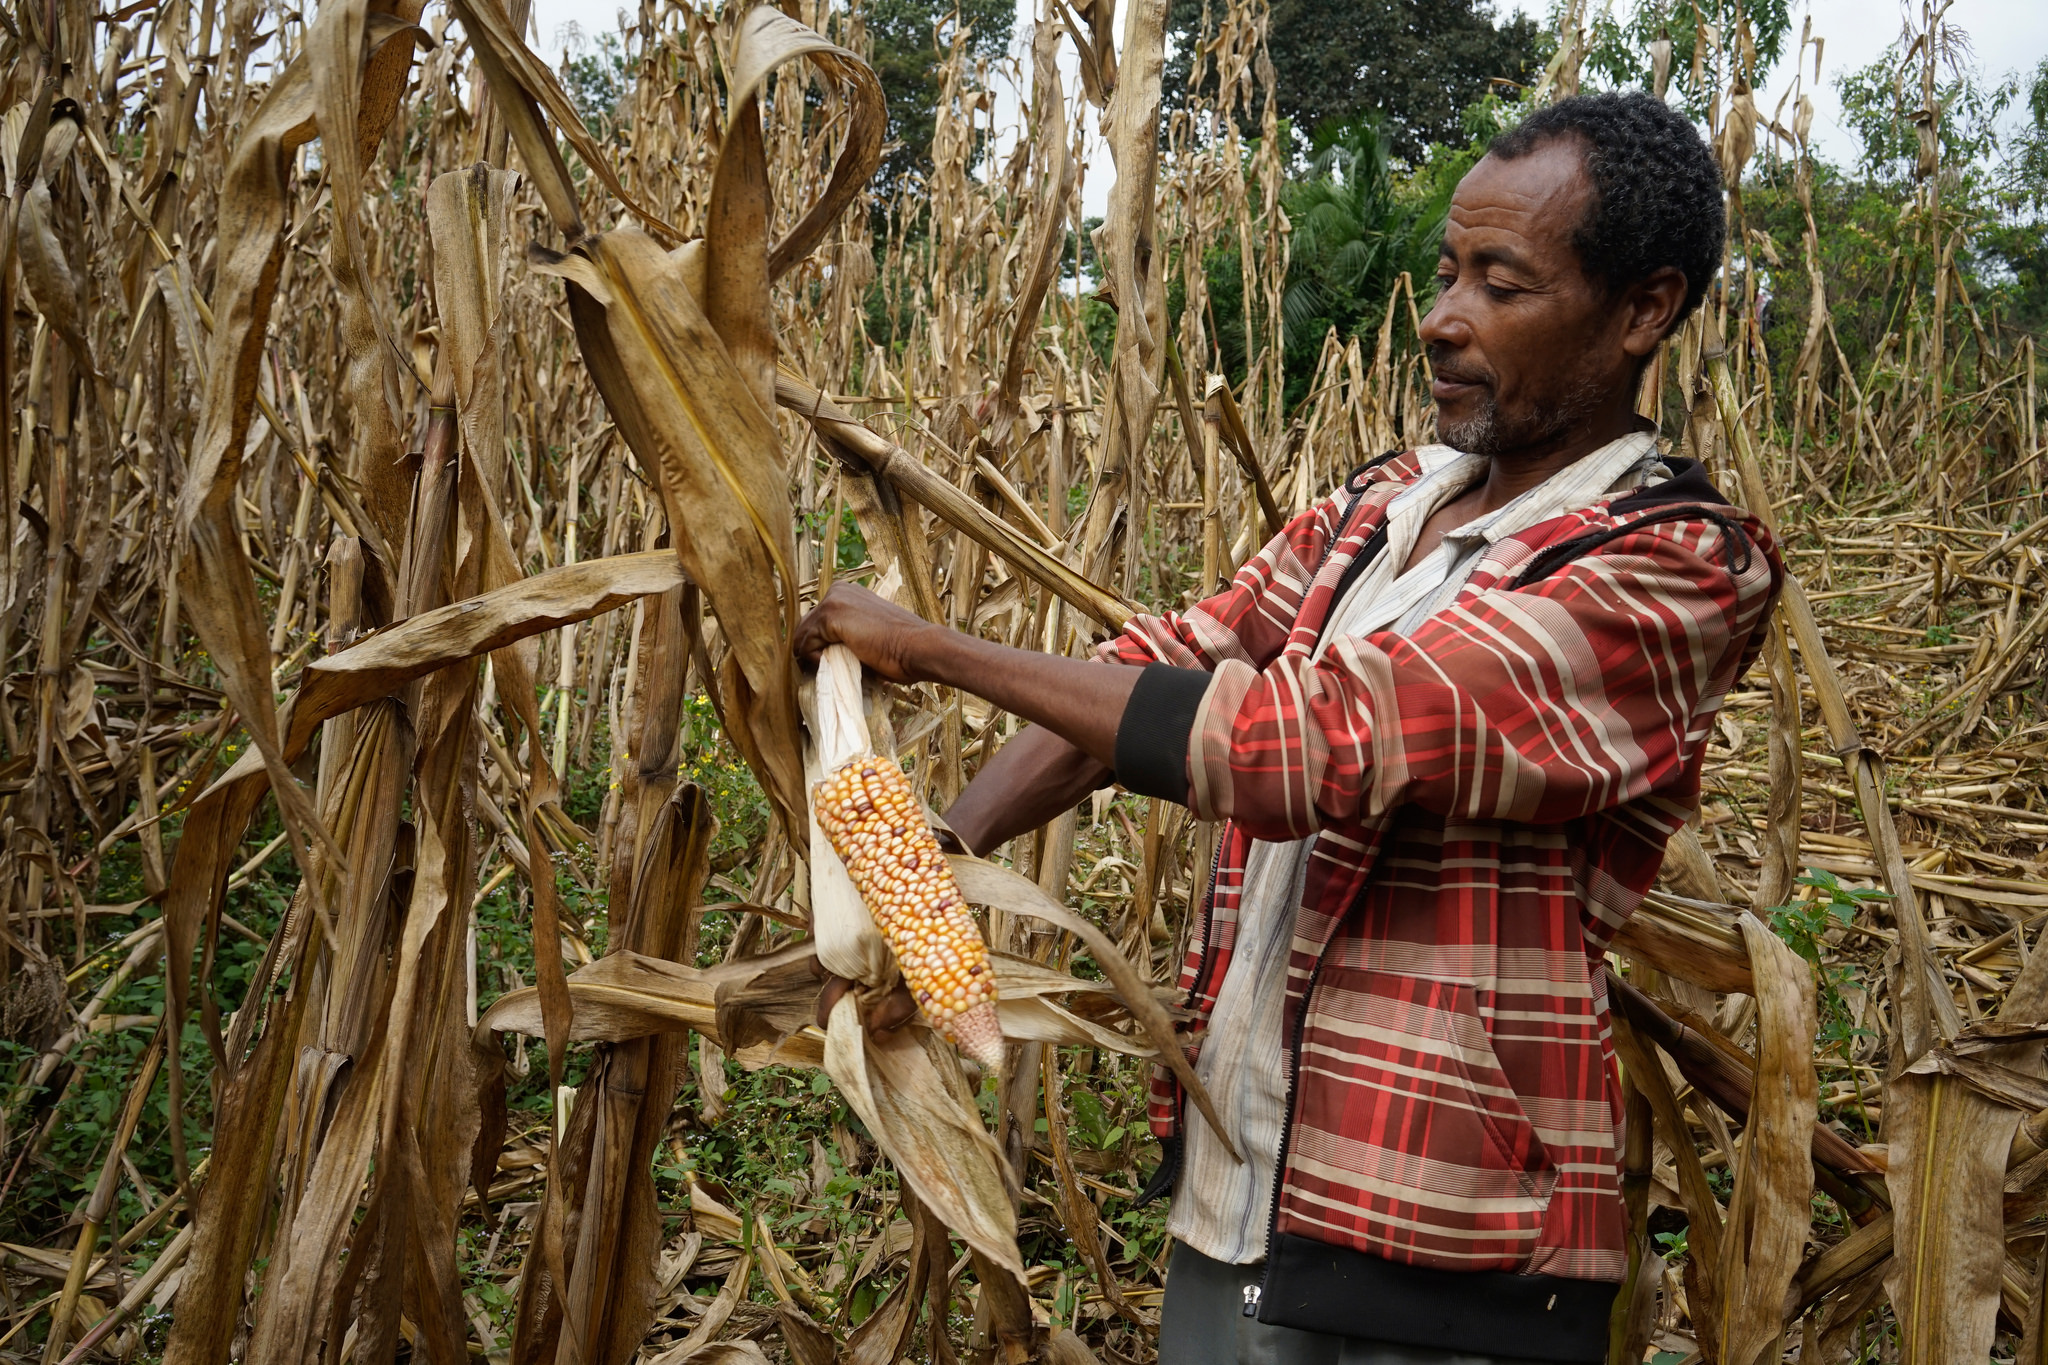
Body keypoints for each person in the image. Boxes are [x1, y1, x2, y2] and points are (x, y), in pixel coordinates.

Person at [795, 91, 1781, 1365]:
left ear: (1644, 308)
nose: (1440, 319)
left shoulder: (1672, 570)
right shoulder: (1382, 505)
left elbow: (1294, 746)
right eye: (1443, 274)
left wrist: (926, 647)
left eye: (1500, 283)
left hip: (1436, 1233)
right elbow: (1154, 675)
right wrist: (924, 863)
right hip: (1237, 1173)